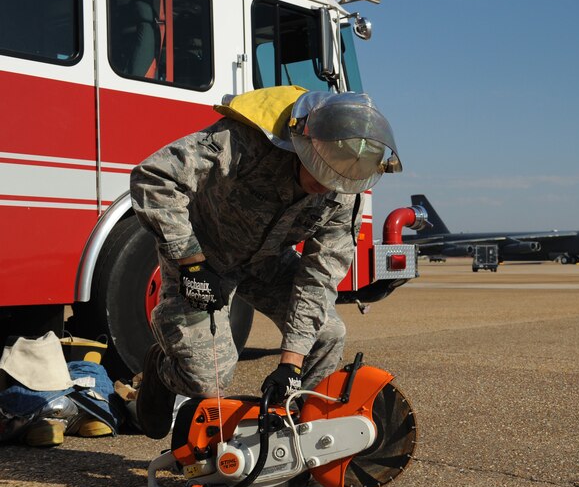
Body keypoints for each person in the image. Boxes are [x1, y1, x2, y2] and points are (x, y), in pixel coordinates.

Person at [129, 86, 401, 439]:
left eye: (336, 179)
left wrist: (291, 364)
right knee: (206, 379)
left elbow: (319, 278)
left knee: (328, 334)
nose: (325, 186)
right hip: (205, 257)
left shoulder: (343, 191)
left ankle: (300, 433)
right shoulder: (242, 143)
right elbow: (154, 178)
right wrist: (190, 262)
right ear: (304, 147)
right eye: (320, 172)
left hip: (266, 262)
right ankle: (162, 369)